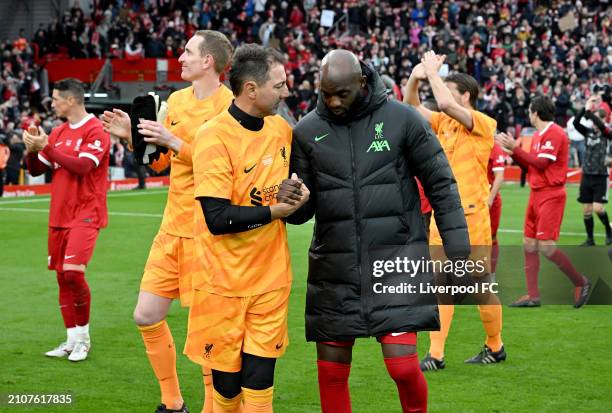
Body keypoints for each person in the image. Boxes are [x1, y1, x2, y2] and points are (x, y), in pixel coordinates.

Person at [279, 49, 469, 413]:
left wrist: (458, 247)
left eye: (342, 93)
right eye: (326, 92)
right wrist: (291, 202)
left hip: (396, 260)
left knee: (403, 367)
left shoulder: (402, 119)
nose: (332, 101)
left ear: (362, 82)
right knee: (331, 374)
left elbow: (441, 183)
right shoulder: (306, 131)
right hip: (335, 269)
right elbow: (302, 212)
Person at [101, 30, 234, 413]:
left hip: (206, 232)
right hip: (171, 227)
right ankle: (172, 402)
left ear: (209, 61)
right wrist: (135, 139)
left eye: (189, 52)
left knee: (205, 328)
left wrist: (175, 142)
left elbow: (224, 164)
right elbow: (160, 162)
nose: (181, 57)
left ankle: (213, 406)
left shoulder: (228, 105)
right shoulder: (174, 100)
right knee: (145, 315)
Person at [184, 44, 308, 413]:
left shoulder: (282, 130)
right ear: (251, 89)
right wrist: (275, 209)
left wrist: (300, 200)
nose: (286, 92)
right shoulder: (213, 136)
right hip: (220, 284)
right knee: (227, 389)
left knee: (259, 382)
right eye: (279, 85)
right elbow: (217, 219)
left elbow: (295, 213)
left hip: (270, 279)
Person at [404, 51, 505, 370]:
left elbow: (445, 103)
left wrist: (433, 72)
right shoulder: (442, 122)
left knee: (479, 287)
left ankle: (495, 345)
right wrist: (416, 77)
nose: (442, 94)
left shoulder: (484, 123)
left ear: (466, 95)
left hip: (472, 215)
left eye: (448, 88)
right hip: (443, 214)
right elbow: (411, 107)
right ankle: (435, 354)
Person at [23, 78, 110, 362]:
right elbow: (36, 170)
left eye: (56, 99)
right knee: (62, 277)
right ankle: (71, 339)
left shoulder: (95, 130)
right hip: (59, 214)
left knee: (73, 272)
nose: (52, 103)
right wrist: (31, 148)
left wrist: (45, 146)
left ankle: (84, 339)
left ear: (71, 100)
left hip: (86, 212)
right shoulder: (58, 131)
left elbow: (83, 167)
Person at [496, 95, 591, 308]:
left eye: (530, 111)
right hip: (536, 193)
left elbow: (540, 163)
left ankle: (581, 282)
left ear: (535, 113)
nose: (528, 115)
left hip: (551, 194)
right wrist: (514, 151)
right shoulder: (539, 135)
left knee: (546, 247)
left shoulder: (556, 133)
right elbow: (531, 167)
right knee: (529, 244)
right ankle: (533, 295)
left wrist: (516, 148)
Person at [573, 96, 612, 246]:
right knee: (586, 209)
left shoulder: (607, 133)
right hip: (587, 175)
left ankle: (609, 231)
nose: (593, 123)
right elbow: (576, 122)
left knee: (598, 208)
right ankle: (590, 239)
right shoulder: (588, 132)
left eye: (596, 120)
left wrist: (590, 114)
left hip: (600, 175)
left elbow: (601, 126)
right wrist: (585, 108)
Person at [488, 142, 506, 274]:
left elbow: (499, 175)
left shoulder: (494, 147)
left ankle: (491, 275)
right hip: (469, 199)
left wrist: (491, 197)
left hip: (490, 200)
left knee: (491, 238)